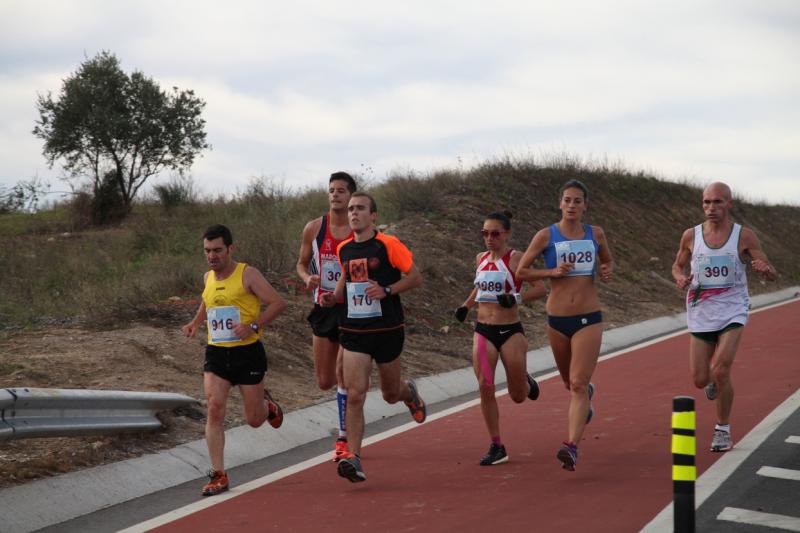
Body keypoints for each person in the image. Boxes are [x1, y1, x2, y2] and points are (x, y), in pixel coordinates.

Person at [320, 192, 426, 483]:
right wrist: (334, 297)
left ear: (373, 215)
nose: (354, 213)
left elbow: (415, 277)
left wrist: (387, 290)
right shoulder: (344, 249)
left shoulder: (388, 245)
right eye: (351, 209)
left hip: (388, 330)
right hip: (354, 331)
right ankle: (353, 457)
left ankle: (409, 393)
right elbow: (346, 277)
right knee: (355, 394)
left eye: (360, 209)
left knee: (391, 394)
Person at [182, 224, 287, 496]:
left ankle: (267, 406)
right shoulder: (208, 277)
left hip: (247, 353)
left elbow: (277, 303)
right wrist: (195, 322)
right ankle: (219, 474)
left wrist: (253, 326)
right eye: (207, 251)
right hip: (216, 352)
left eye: (217, 250)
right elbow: (209, 301)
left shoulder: (247, 274)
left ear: (230, 248)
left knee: (253, 419)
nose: (212, 256)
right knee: (215, 408)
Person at [516, 179, 614, 471]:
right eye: (567, 200)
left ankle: (571, 447)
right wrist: (552, 271)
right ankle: (586, 399)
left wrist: (607, 269)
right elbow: (522, 270)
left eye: (578, 201)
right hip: (557, 320)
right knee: (569, 383)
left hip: (589, 317)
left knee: (578, 383)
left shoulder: (595, 234)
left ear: (585, 205)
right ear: (560, 203)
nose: (572, 205)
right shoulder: (546, 235)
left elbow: (607, 261)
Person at [671, 181, 776, 452]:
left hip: (732, 309)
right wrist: (680, 277)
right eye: (706, 202)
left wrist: (765, 270)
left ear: (729, 204)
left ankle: (722, 429)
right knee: (699, 378)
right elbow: (677, 265)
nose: (711, 207)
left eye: (717, 202)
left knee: (722, 369)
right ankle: (713, 384)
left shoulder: (744, 236)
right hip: (700, 311)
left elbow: (770, 271)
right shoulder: (690, 236)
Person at [454, 211, 547, 466]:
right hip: (483, 331)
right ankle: (497, 445)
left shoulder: (516, 258)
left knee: (518, 396)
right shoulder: (480, 258)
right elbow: (479, 286)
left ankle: (525, 383)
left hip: (510, 331)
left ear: (506, 234)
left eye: (495, 233)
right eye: (485, 233)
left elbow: (540, 289)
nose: (489, 238)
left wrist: (515, 298)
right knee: (485, 385)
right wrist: (465, 305)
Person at [296, 171, 356, 461]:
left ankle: (344, 437)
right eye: (331, 190)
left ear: (351, 196)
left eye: (341, 190)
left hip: (351, 310)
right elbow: (301, 264)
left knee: (343, 374)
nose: (335, 195)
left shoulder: (361, 229)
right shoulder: (314, 228)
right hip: (323, 309)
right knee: (324, 380)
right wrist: (307, 278)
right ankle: (350, 396)